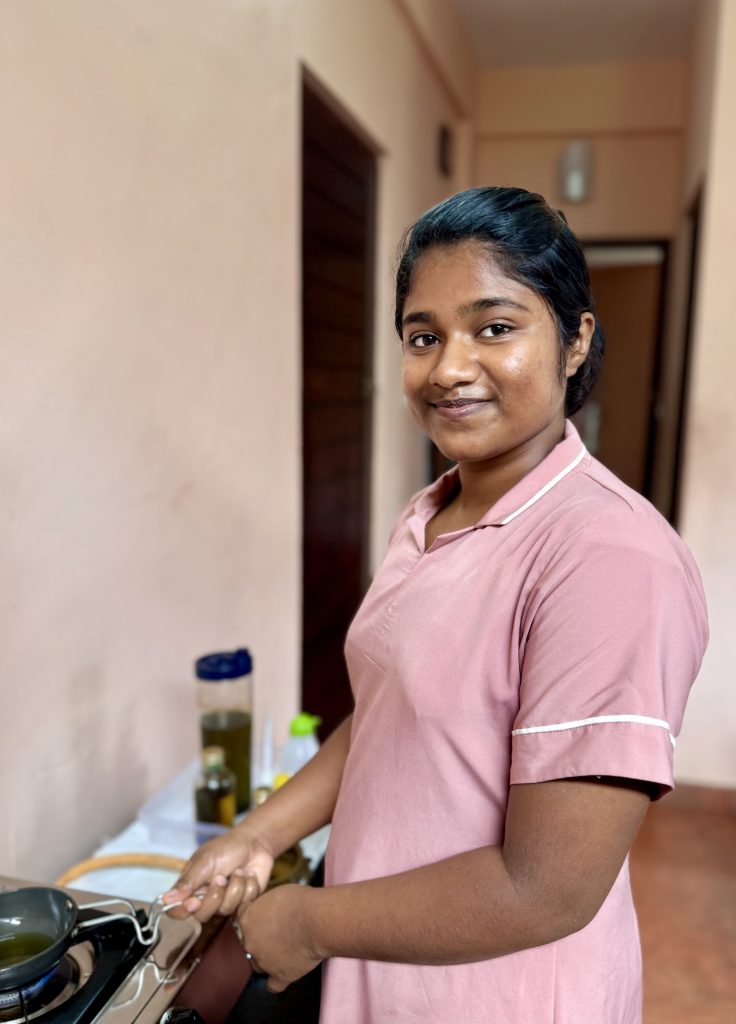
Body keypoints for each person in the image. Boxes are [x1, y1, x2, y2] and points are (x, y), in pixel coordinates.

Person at [165, 187, 708, 1024]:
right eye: (424, 337)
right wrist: (260, 833)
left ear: (574, 342)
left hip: (496, 995)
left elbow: (547, 890)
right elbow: (389, 720)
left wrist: (307, 922)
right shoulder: (432, 513)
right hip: (384, 967)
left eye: (495, 328)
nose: (450, 368)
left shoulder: (608, 557)